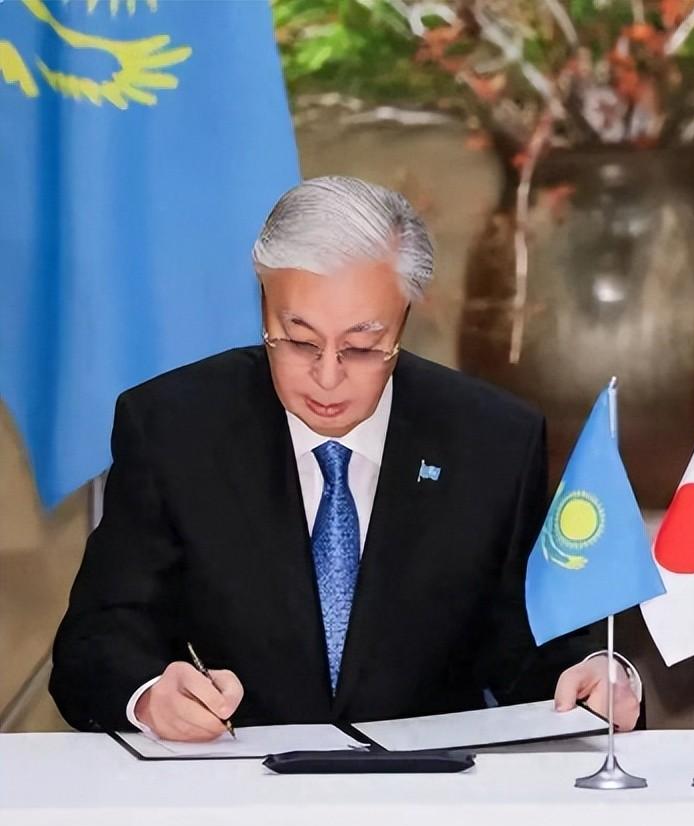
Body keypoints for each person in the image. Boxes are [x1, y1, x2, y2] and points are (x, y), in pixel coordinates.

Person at [50, 176, 639, 741]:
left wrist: (594, 671)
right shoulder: (174, 428)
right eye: (299, 341)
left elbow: (532, 642)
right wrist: (150, 694)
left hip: (428, 790)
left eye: (360, 347)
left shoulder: (491, 440)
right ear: (263, 305)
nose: (327, 377)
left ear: (404, 320)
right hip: (231, 785)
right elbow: (96, 639)